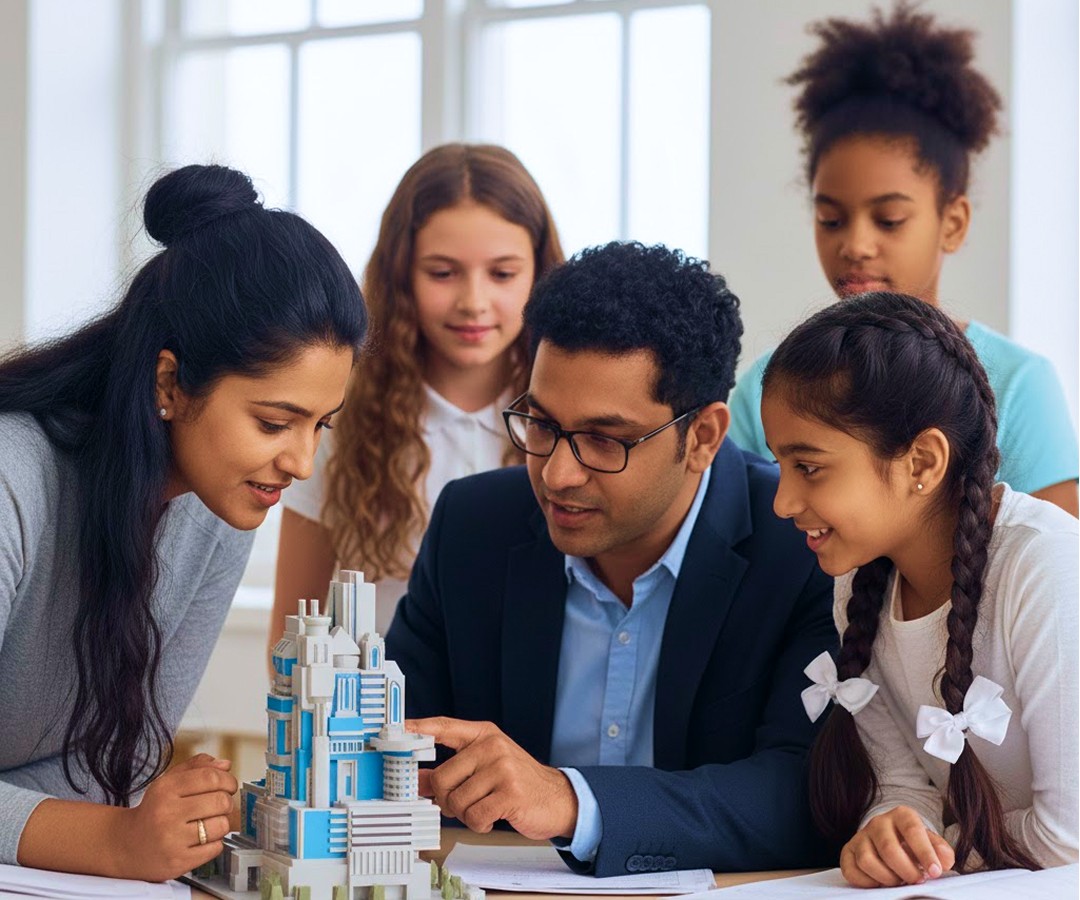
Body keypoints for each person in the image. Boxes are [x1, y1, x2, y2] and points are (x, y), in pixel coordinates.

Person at [385, 242, 836, 876]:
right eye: (542, 425)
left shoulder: (801, 546)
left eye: (603, 440)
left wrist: (573, 802)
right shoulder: (472, 527)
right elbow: (394, 747)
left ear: (703, 436)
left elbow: (801, 794)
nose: (557, 475)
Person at [0, 164, 366, 880]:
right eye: (274, 422)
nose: (301, 463)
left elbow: (117, 763)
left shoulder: (222, 504)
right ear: (169, 382)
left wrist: (127, 829)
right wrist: (112, 841)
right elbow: (104, 809)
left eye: (322, 424)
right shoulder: (13, 478)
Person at [760, 292, 1078, 888]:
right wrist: (891, 833)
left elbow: (1069, 837)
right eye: (780, 465)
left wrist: (934, 853)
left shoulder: (1046, 566)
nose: (782, 502)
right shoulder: (858, 583)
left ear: (923, 463)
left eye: (809, 467)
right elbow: (904, 785)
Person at [727, 3, 1079, 516]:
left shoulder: (1019, 386)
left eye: (889, 220)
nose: (856, 245)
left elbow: (1052, 558)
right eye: (831, 219)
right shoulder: (765, 391)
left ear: (952, 222)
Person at [272, 143, 564, 647]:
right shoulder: (336, 421)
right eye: (443, 273)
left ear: (539, 273)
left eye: (502, 274)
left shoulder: (569, 426)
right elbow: (291, 633)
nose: (473, 302)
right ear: (401, 275)